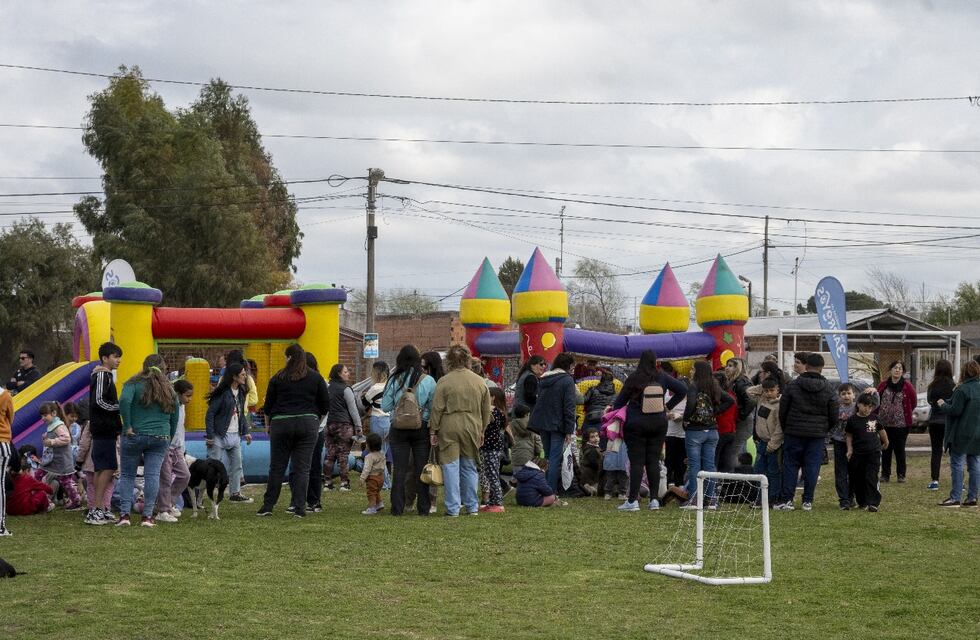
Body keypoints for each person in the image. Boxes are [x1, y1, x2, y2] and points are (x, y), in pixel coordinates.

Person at [258, 344, 329, 518]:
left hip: (281, 424)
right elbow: (325, 405)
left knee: (277, 467)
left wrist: (269, 425)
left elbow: (267, 407)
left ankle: (268, 506)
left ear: (288, 358)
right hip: (308, 423)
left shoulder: (278, 377)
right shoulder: (316, 377)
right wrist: (314, 420)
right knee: (302, 468)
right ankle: (300, 508)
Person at [611, 350, 687, 511]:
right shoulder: (662, 377)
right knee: (653, 461)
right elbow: (682, 390)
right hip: (659, 423)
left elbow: (619, 402)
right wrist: (668, 406)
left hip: (636, 423)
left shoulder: (634, 378)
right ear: (655, 361)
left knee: (637, 462)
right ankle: (654, 500)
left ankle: (632, 501)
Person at [117, 354, 179, 528]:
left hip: (134, 435)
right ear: (164, 368)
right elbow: (175, 416)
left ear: (144, 366)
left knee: (128, 475)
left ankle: (124, 515)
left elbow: (124, 400)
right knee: (152, 476)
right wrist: (169, 437)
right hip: (160, 437)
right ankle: (148, 517)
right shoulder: (169, 388)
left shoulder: (132, 383)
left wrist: (127, 424)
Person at [429, 344, 491, 517]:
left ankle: (453, 508)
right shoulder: (479, 381)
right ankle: (472, 506)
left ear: (449, 361)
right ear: (468, 360)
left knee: (450, 467)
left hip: (449, 425)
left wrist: (433, 431)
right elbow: (487, 410)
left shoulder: (444, 381)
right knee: (469, 466)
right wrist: (482, 430)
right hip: (472, 425)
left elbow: (437, 408)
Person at [775, 353, 838, 512]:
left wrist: (787, 427)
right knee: (812, 467)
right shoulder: (829, 389)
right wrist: (825, 429)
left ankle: (787, 500)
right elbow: (834, 415)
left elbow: (783, 410)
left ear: (807, 366)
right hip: (817, 435)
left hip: (794, 431)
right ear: (821, 369)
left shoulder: (793, 385)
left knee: (790, 465)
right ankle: (807, 501)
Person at [381, 345, 436, 516]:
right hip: (421, 429)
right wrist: (421, 414)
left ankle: (397, 508)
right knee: (421, 468)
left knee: (400, 469)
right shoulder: (428, 380)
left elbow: (385, 406)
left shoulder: (393, 380)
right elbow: (433, 406)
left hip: (398, 428)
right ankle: (424, 507)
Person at [680, 360, 734, 508]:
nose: (690, 371)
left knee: (694, 465)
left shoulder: (694, 386)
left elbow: (690, 404)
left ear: (698, 371)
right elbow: (730, 400)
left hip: (695, 431)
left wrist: (686, 420)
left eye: (692, 369)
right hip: (712, 431)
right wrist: (714, 412)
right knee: (710, 466)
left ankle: (695, 499)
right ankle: (711, 499)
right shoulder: (714, 386)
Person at [528, 353, 578, 492]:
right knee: (555, 459)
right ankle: (550, 491)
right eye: (572, 366)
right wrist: (569, 430)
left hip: (543, 423)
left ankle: (544, 487)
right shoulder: (567, 380)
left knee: (549, 457)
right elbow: (569, 406)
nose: (573, 369)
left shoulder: (544, 379)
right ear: (568, 365)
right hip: (558, 424)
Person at [205, 362, 252, 503]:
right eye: (243, 374)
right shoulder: (223, 394)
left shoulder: (242, 392)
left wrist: (245, 432)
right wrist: (210, 436)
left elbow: (240, 414)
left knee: (237, 465)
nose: (245, 376)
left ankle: (235, 493)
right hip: (220, 435)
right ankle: (203, 493)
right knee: (213, 466)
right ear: (234, 377)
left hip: (235, 435)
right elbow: (210, 414)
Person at [935, 359, 980, 508]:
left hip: (961, 433)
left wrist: (943, 404)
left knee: (958, 464)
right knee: (975, 465)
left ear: (964, 372)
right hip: (977, 433)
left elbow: (955, 410)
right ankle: (972, 497)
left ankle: (955, 498)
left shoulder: (962, 389)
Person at [88, 341, 123, 524]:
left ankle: (99, 508)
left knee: (102, 468)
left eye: (119, 357)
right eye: (115, 357)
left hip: (105, 429)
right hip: (103, 428)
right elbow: (99, 401)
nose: (118, 360)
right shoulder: (102, 375)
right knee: (107, 467)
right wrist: (119, 408)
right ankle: (96, 509)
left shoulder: (106, 376)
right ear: (105, 358)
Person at [155, 379, 193, 522]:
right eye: (187, 396)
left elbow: (180, 429)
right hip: (166, 446)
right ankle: (162, 510)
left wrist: (182, 447)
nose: (189, 399)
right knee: (165, 479)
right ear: (178, 394)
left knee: (185, 476)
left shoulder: (182, 407)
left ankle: (168, 502)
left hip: (177, 448)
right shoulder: (170, 405)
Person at [322, 363, 363, 492]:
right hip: (344, 425)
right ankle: (344, 483)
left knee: (329, 454)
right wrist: (358, 426)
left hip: (330, 425)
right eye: (345, 372)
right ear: (339, 374)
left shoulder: (328, 388)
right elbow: (353, 410)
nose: (348, 374)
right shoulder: (346, 389)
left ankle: (327, 482)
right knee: (343, 455)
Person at [845, 392, 888, 512]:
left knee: (872, 477)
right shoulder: (852, 420)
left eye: (870, 407)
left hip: (873, 452)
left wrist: (886, 441)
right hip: (858, 454)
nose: (868, 409)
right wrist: (849, 449)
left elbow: (881, 431)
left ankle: (873, 503)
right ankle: (862, 501)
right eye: (865, 406)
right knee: (858, 478)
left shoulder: (874, 419)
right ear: (858, 404)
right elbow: (849, 435)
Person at [35, 401, 82, 510]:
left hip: (61, 460)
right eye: (41, 416)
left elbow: (66, 439)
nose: (43, 418)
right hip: (52, 459)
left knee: (65, 481)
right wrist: (47, 437)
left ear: (54, 413)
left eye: (45, 415)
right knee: (38, 475)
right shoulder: (52, 425)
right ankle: (40, 497)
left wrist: (51, 441)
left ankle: (76, 500)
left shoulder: (59, 425)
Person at [876, 361, 917, 483]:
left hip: (901, 424)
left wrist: (903, 413)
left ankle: (901, 474)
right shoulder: (883, 385)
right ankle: (885, 474)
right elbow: (876, 400)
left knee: (899, 449)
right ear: (891, 370)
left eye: (900, 368)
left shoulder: (907, 386)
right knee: (885, 448)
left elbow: (913, 402)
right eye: (895, 368)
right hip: (883, 424)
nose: (897, 370)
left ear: (903, 372)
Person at [746, 378, 783, 506]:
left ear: (778, 389)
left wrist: (773, 444)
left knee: (773, 472)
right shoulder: (761, 399)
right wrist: (762, 387)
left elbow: (779, 428)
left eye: (771, 390)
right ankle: (760, 499)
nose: (768, 393)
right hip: (761, 442)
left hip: (773, 444)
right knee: (759, 471)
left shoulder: (779, 405)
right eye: (766, 391)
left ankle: (773, 498)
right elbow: (749, 391)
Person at [77, 410, 117, 526]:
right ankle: (105, 508)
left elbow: (84, 444)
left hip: (92, 462)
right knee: (108, 485)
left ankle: (93, 508)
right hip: (111, 460)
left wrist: (79, 459)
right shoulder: (114, 422)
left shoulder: (91, 423)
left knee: (92, 485)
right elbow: (119, 445)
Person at [926, 359, 955, 491]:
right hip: (950, 421)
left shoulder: (932, 386)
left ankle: (935, 480)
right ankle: (958, 480)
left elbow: (929, 400)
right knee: (955, 452)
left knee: (936, 451)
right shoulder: (953, 385)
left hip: (935, 421)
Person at [362, 361, 391, 489]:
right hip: (389, 420)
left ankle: (385, 483)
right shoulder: (391, 386)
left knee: (378, 454)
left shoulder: (375, 388)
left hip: (377, 419)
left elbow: (365, 401)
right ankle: (387, 482)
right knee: (384, 452)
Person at [479, 386, 508, 512]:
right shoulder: (500, 412)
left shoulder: (494, 412)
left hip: (491, 448)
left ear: (493, 398)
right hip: (492, 447)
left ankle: (498, 503)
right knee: (489, 473)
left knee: (492, 475)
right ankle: (491, 502)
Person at [830, 383, 857, 510]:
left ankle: (851, 496)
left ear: (854, 395)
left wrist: (873, 390)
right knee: (841, 472)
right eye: (843, 394)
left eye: (849, 393)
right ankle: (843, 499)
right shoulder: (836, 409)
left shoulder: (857, 408)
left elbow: (875, 403)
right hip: (839, 442)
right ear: (839, 396)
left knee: (853, 471)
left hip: (855, 444)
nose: (846, 396)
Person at [662, 362, 687, 489]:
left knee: (681, 460)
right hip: (669, 433)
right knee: (669, 459)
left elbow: (688, 414)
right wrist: (668, 415)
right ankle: (667, 482)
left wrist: (680, 416)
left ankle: (680, 482)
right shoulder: (666, 397)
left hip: (682, 434)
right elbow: (662, 410)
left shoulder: (688, 399)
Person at [725, 358, 755, 456]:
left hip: (744, 421)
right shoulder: (733, 382)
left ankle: (737, 471)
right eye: (727, 365)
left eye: (730, 366)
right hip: (739, 420)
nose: (727, 368)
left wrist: (740, 415)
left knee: (735, 451)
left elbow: (751, 400)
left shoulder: (742, 382)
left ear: (737, 368)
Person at [713, 372, 739, 473]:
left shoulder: (718, 396)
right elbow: (736, 413)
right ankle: (726, 485)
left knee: (714, 460)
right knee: (726, 461)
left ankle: (714, 485)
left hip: (720, 429)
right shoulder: (731, 395)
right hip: (731, 430)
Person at [508, 404, 542, 472]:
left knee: (516, 478)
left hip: (516, 458)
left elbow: (509, 440)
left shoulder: (511, 425)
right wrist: (538, 452)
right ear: (526, 415)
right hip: (529, 458)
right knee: (528, 480)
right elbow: (537, 442)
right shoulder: (532, 426)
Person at [582, 369, 616, 435]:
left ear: (601, 380)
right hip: (605, 419)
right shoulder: (615, 395)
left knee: (586, 438)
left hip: (590, 416)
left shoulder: (593, 389)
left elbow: (584, 400)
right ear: (612, 381)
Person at [360, 432, 386, 515]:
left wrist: (362, 478)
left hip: (372, 478)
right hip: (381, 478)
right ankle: (379, 503)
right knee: (376, 491)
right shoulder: (382, 455)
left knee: (371, 493)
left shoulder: (369, 457)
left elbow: (366, 469)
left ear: (368, 445)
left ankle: (372, 508)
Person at [0, 381, 14, 535]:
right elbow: (10, 418)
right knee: (0, 484)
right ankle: (0, 525)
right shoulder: (5, 396)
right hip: (2, 443)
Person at [579, 428, 602, 496]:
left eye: (597, 436)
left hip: (590, 476)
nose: (596, 438)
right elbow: (595, 464)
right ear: (587, 439)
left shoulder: (592, 447)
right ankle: (588, 488)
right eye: (592, 437)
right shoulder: (592, 450)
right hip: (589, 477)